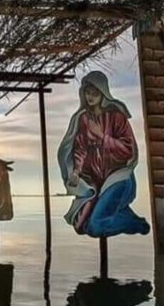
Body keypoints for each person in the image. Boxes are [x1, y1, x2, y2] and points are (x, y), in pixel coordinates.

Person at [57, 71, 150, 237]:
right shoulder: (84, 119)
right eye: (87, 92)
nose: (90, 97)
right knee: (82, 225)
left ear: (103, 93)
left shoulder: (117, 117)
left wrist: (102, 137)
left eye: (95, 93)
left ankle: (136, 224)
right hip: (97, 183)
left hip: (119, 180)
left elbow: (127, 150)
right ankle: (123, 215)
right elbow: (80, 148)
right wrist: (77, 171)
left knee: (96, 226)